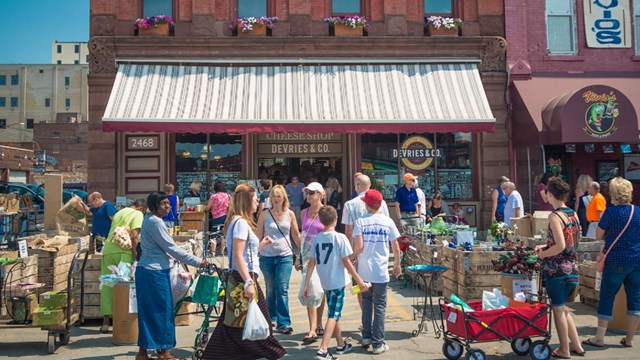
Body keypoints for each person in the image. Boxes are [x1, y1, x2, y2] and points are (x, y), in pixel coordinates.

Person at [202, 184, 286, 360]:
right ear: (248, 201)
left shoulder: (238, 221)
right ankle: (270, 353)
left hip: (242, 275)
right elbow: (238, 256)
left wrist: (260, 247)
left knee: (233, 323)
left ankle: (217, 355)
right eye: (256, 200)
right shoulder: (240, 223)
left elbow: (242, 253)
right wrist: (248, 282)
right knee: (255, 322)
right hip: (243, 277)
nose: (258, 204)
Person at [135, 192, 208, 360]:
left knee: (148, 312)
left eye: (168, 203)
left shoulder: (148, 218)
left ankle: (143, 352)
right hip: (155, 273)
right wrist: (198, 261)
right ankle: (165, 353)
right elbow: (172, 249)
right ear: (154, 205)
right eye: (163, 204)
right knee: (163, 312)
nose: (167, 206)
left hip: (147, 271)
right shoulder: (155, 222)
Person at [582, 177, 640, 349]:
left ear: (613, 194)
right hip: (636, 260)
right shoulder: (637, 211)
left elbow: (598, 235)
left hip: (615, 261)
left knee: (607, 297)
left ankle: (599, 338)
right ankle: (630, 338)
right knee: (635, 299)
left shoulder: (611, 212)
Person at [303, 206, 367, 360]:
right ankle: (323, 349)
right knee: (334, 314)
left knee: (333, 312)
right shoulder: (340, 238)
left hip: (325, 280)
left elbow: (311, 262)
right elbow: (346, 261)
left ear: (321, 220)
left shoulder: (317, 238)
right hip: (337, 281)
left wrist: (306, 284)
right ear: (336, 219)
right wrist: (358, 279)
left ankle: (340, 344)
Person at [533, 177, 585, 359]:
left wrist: (542, 254)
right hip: (572, 268)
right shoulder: (573, 214)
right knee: (564, 310)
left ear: (550, 194)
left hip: (557, 272)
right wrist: (545, 246)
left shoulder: (554, 216)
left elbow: (561, 245)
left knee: (557, 310)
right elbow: (571, 242)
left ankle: (564, 349)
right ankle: (577, 346)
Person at [353, 189, 402, 355]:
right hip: (380, 271)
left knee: (366, 302)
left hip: (364, 270)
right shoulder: (387, 221)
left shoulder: (360, 221)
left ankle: (366, 336)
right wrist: (397, 264)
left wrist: (351, 257)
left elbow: (359, 247)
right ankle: (378, 343)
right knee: (380, 306)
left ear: (367, 204)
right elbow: (395, 246)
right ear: (380, 204)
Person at [256, 185, 302, 335]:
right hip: (266, 257)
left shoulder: (290, 214)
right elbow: (258, 235)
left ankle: (284, 322)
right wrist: (255, 252)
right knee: (270, 290)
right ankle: (271, 318)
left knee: (282, 289)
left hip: (285, 256)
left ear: (284, 198)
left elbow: (295, 235)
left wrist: (302, 254)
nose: (276, 199)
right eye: (273, 196)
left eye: (278, 196)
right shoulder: (264, 214)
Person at [341, 174, 390, 310]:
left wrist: (350, 255)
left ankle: (366, 317)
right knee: (379, 288)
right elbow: (387, 227)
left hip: (359, 251)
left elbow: (349, 232)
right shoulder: (383, 203)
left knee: (360, 286)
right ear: (369, 186)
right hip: (380, 251)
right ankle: (376, 318)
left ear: (357, 186)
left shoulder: (349, 205)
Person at [100, 199, 146, 333]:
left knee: (107, 285)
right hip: (124, 251)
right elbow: (134, 235)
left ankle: (105, 321)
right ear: (141, 208)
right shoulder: (138, 214)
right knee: (124, 287)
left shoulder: (120, 212)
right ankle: (122, 320)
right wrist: (135, 253)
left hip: (108, 250)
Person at [298, 182, 327, 343]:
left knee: (320, 291)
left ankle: (319, 322)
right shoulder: (303, 212)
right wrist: (298, 257)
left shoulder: (327, 212)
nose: (309, 196)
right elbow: (302, 236)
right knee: (309, 289)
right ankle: (312, 328)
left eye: (312, 193)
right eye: (307, 193)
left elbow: (331, 234)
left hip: (323, 256)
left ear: (321, 194)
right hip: (307, 255)